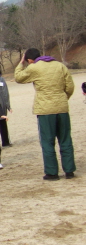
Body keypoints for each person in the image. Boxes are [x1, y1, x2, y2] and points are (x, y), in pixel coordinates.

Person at [15, 48, 76, 180]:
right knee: (65, 139)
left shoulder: (34, 67)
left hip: (45, 110)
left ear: (29, 60)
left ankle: (52, 172)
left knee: (48, 142)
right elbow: (70, 86)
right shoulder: (60, 65)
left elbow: (18, 77)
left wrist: (21, 63)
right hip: (62, 108)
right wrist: (63, 98)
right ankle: (69, 170)